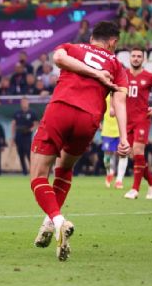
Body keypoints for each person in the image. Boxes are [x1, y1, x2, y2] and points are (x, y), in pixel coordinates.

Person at [30, 21, 130, 262]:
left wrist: (91, 71)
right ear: (113, 42)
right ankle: (47, 226)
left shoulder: (73, 48)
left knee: (38, 175)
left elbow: (59, 59)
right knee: (64, 169)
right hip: (89, 119)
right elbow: (120, 102)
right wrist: (124, 138)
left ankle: (58, 220)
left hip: (61, 109)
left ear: (92, 37)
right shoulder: (117, 66)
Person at [121, 48, 152, 200]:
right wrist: (113, 107)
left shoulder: (150, 77)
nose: (136, 58)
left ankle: (135, 189)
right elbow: (115, 93)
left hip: (142, 119)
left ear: (144, 59)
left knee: (138, 150)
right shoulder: (122, 74)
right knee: (134, 156)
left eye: (139, 56)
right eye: (134, 56)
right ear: (130, 58)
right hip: (127, 120)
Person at [11, 97, 38, 175]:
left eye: (25, 102)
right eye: (23, 102)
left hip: (27, 135)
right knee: (21, 154)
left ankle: (32, 170)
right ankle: (24, 171)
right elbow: (13, 124)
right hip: (18, 135)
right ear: (21, 103)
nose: (24, 104)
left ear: (28, 103)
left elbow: (36, 124)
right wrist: (13, 136)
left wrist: (30, 130)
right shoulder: (17, 113)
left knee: (28, 153)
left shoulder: (32, 113)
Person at [101, 94, 122, 188]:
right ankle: (110, 172)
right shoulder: (104, 92)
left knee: (120, 154)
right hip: (107, 129)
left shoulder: (121, 91)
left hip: (119, 129)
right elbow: (99, 108)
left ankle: (119, 180)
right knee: (107, 156)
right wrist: (98, 122)